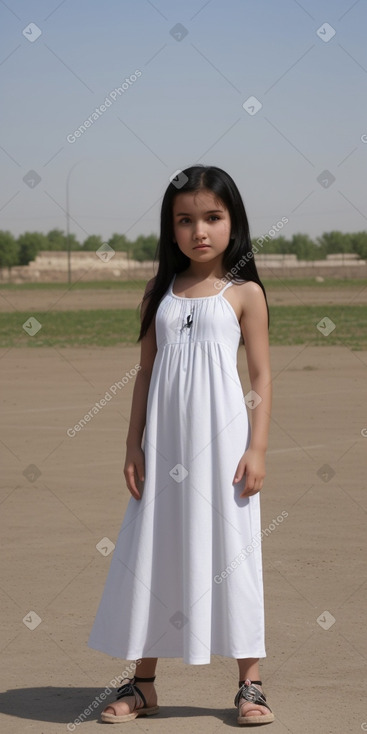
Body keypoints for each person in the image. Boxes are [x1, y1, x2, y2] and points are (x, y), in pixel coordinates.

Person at [88, 164, 274, 726]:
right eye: (185, 220)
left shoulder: (245, 294)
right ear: (171, 229)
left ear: (233, 222)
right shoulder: (158, 294)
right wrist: (133, 444)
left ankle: (250, 686)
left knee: (233, 554)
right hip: (164, 452)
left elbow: (262, 376)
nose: (200, 231)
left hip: (225, 457)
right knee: (154, 555)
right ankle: (143, 685)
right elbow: (144, 374)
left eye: (212, 218)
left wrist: (258, 447)